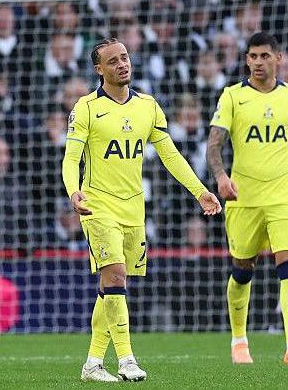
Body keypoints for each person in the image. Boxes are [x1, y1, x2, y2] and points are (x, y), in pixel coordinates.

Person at [62, 38, 221, 383]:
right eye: (113, 61)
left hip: (134, 209)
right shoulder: (86, 108)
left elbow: (170, 155)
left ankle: (92, 364)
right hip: (97, 205)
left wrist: (200, 192)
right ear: (98, 69)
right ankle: (127, 360)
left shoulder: (148, 106)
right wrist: (74, 191)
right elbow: (71, 158)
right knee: (116, 274)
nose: (122, 64)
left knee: (110, 286)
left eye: (125, 58)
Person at [206, 32, 288, 365]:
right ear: (246, 59)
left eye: (264, 56)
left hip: (285, 196)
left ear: (279, 58)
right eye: (252, 56)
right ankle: (239, 342)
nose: (257, 62)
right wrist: (221, 177)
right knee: (243, 269)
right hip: (244, 198)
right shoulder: (232, 96)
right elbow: (214, 144)